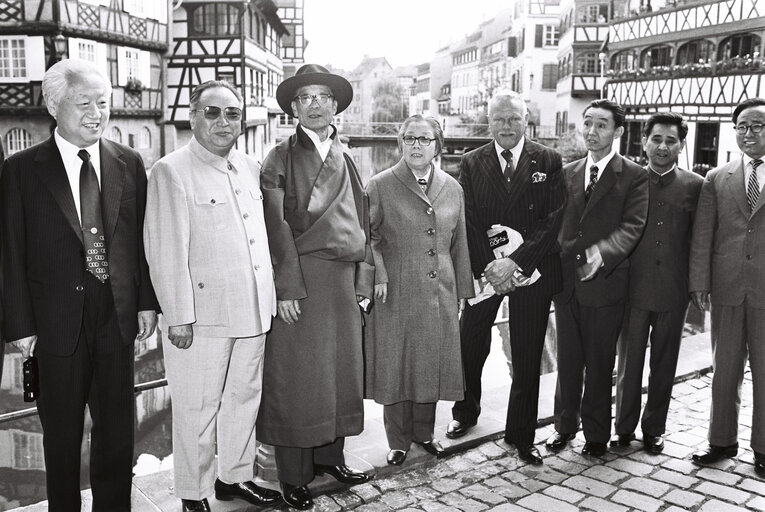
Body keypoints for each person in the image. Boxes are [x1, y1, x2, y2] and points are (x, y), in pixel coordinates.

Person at [0, 58, 158, 512]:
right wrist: (19, 325)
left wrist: (146, 302)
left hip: (115, 317)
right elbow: (9, 252)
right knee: (62, 436)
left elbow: (137, 241)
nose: (97, 113)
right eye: (84, 102)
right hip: (54, 325)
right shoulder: (22, 170)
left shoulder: (129, 162)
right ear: (53, 105)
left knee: (116, 431)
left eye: (103, 103)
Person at [144, 80, 282, 512]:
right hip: (202, 316)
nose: (224, 121)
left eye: (233, 113)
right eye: (213, 112)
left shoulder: (248, 165)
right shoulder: (171, 170)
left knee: (245, 397)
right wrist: (178, 316)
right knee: (196, 407)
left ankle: (234, 478)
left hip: (253, 307)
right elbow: (165, 250)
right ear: (193, 116)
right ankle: (193, 491)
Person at [256, 64, 374, 511]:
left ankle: (331, 459)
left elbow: (363, 222)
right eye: (305, 97)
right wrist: (286, 287)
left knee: (339, 372)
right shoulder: (279, 157)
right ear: (293, 108)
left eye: (324, 96)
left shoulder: (347, 157)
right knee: (299, 379)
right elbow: (275, 224)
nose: (316, 104)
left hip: (342, 282)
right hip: (302, 279)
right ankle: (294, 475)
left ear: (336, 104)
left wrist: (364, 278)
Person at [446, 90, 566, 465]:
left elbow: (552, 221)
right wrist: (491, 269)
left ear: (525, 119)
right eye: (499, 118)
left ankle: (521, 434)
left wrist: (514, 263)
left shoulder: (548, 159)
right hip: (486, 270)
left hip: (531, 268)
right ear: (489, 121)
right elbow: (468, 219)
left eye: (514, 118)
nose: (506, 126)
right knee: (470, 343)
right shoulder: (471, 161)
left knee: (528, 354)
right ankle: (465, 413)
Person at [365, 115, 474, 466]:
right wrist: (377, 275)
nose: (416, 145)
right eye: (409, 138)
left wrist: (462, 290)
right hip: (395, 289)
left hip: (438, 290)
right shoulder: (380, 185)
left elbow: (460, 244)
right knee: (397, 364)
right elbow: (369, 238)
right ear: (400, 144)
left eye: (424, 139)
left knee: (430, 362)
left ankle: (424, 434)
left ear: (437, 146)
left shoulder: (452, 187)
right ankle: (397, 440)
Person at [546, 99, 648, 457]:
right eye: (587, 123)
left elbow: (632, 227)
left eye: (601, 125)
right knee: (567, 362)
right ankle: (563, 427)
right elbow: (554, 223)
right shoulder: (568, 171)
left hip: (605, 286)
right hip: (567, 284)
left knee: (600, 363)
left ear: (618, 132)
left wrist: (601, 254)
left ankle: (595, 436)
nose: (591, 131)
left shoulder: (634, 176)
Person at [612, 112, 703, 454]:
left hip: (673, 291)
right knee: (628, 363)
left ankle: (654, 429)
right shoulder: (626, 181)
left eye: (671, 140)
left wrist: (695, 287)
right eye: (657, 139)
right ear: (644, 142)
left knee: (664, 364)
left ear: (681, 145)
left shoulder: (696, 185)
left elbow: (699, 240)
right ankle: (623, 427)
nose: (663, 147)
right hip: (632, 290)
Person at [689, 97, 765, 473]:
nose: (749, 133)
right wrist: (699, 283)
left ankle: (764, 449)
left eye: (758, 126)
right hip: (727, 288)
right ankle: (722, 441)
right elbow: (704, 235)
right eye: (743, 127)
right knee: (725, 370)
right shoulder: (717, 178)